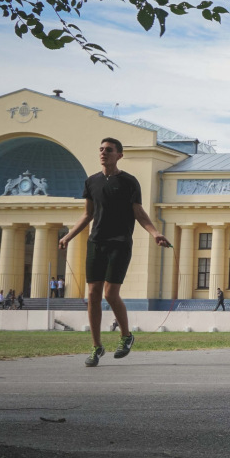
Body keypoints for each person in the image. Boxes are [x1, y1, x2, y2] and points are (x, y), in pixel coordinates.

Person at [58, 137, 171, 367]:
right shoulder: (92, 182)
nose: (103, 153)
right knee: (92, 295)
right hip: (96, 242)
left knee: (110, 294)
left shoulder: (129, 182)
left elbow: (139, 212)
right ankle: (96, 346)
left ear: (119, 155)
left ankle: (126, 336)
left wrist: (154, 233)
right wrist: (69, 235)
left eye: (108, 150)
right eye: (101, 149)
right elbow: (87, 214)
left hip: (120, 243)